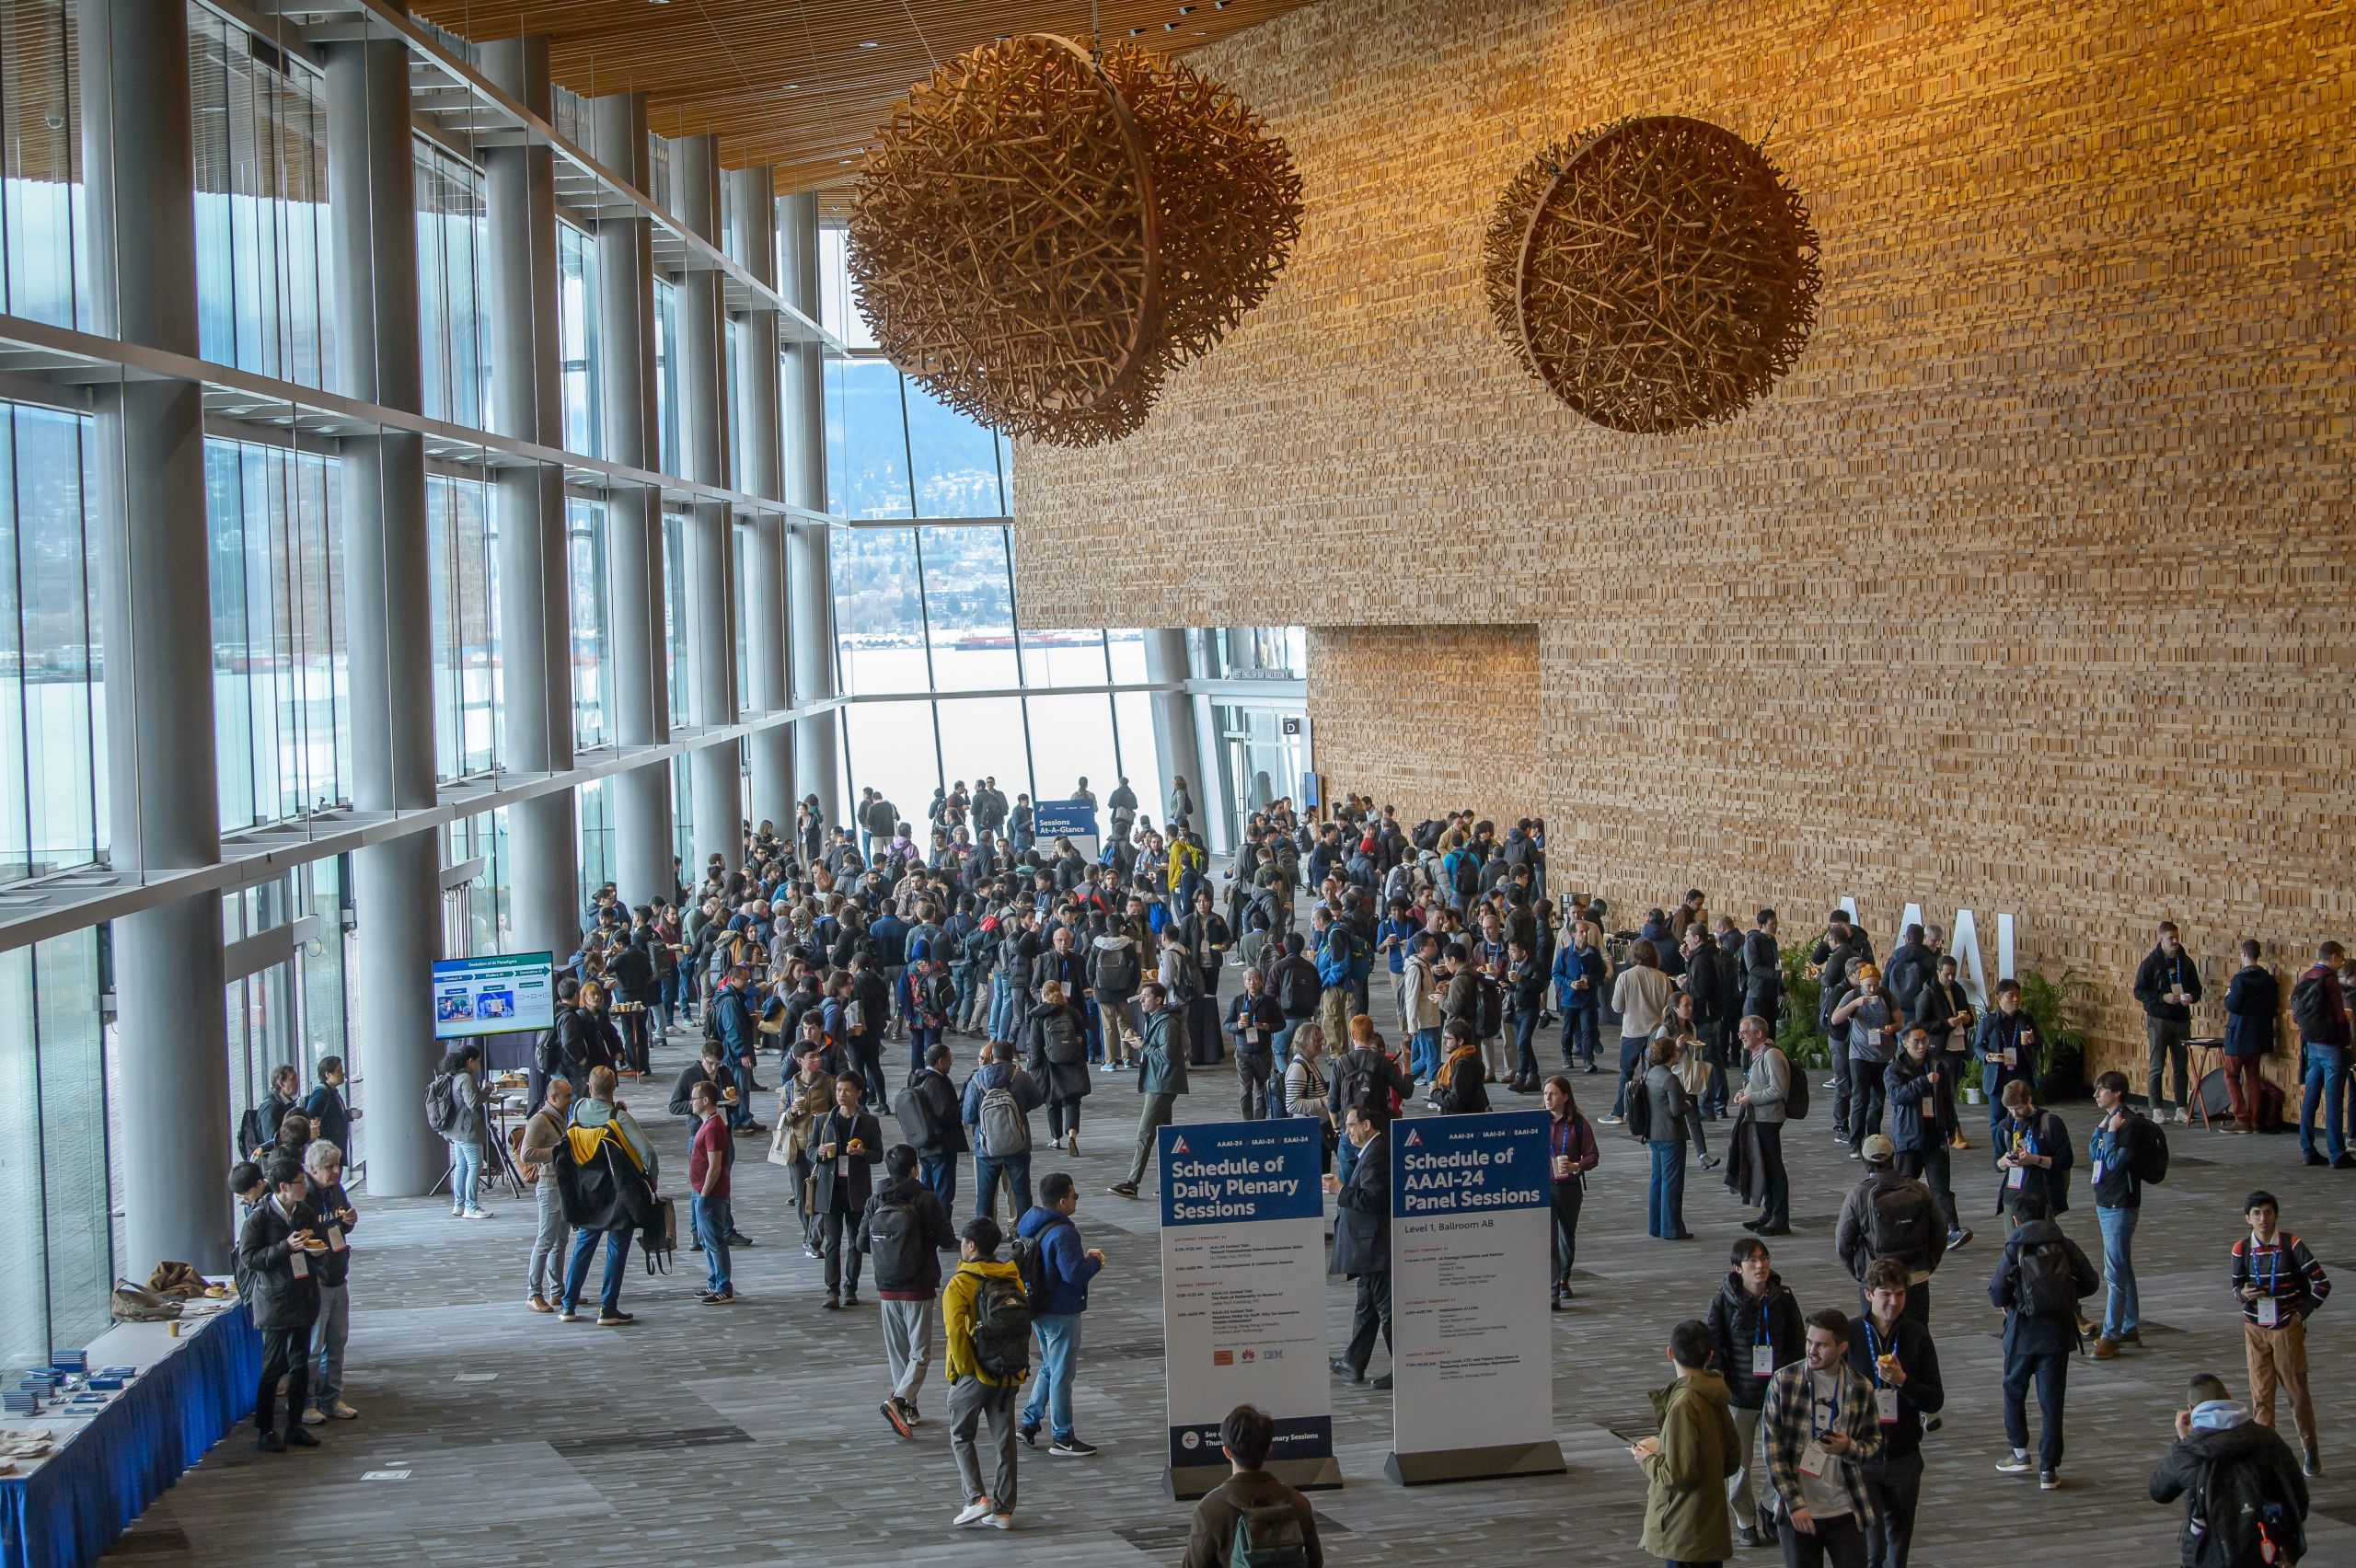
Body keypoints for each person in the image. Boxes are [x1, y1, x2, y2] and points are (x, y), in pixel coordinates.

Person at [1989, 1192, 2099, 1488]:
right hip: (2057, 1334)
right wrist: (2064, 1295)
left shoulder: (2014, 1247)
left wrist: (2013, 1301)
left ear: (2016, 1220)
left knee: (2014, 1389)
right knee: (2052, 1402)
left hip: (2022, 1333)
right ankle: (2048, 1469)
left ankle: (2019, 1452)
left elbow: (1996, 1293)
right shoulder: (2064, 1244)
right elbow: (2091, 1281)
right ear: (2046, 1214)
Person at [2147, 1372, 2310, 1568]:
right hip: (2261, 1552)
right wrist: (2289, 1546)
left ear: (2190, 1410)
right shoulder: (2267, 1440)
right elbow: (2297, 1497)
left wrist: (2183, 1440)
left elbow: (2159, 1491)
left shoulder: (2188, 1451)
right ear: (2229, 1397)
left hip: (2205, 1557)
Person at [1761, 1309, 1883, 1567]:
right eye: (1809, 1342)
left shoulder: (1861, 1387)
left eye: (1821, 1345)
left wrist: (1848, 1447)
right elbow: (1773, 1452)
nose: (1812, 1350)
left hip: (1846, 1508)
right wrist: (1795, 1504)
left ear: (1842, 1348)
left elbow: (1874, 1444)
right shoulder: (1784, 1381)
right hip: (1798, 1511)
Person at [1706, 1237, 1806, 1551]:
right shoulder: (1722, 1301)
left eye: (1764, 1258)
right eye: (1752, 1260)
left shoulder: (1783, 1298)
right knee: (1740, 1464)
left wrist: (1793, 1385)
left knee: (1783, 1458)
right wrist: (1720, 1388)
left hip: (1777, 1396)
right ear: (1738, 1268)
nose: (1760, 1265)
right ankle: (1745, 1520)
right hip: (1740, 1397)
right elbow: (1713, 1350)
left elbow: (1797, 1344)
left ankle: (1769, 1505)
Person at [1847, 1259, 1944, 1568]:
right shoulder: (1850, 1334)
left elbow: (1934, 1400)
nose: (1893, 1302)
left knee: (1898, 1550)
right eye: (1885, 1294)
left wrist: (1903, 1381)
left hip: (1904, 1457)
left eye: (1900, 1294)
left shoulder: (1916, 1335)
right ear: (1868, 1295)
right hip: (1863, 1458)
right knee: (1873, 1550)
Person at [860, 1142, 957, 1439]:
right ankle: (900, 1399)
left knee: (898, 1353)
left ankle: (909, 1407)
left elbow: (861, 1243)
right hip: (919, 1284)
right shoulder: (926, 1199)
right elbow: (947, 1239)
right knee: (920, 1353)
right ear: (915, 1169)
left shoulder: (875, 1200)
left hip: (886, 1285)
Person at [2232, 1191, 2330, 1477]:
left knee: (2297, 1393)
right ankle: (2265, 1457)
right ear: (2248, 1219)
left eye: (2268, 1212)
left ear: (2275, 1215)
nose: (2263, 1219)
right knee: (2261, 1396)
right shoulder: (2241, 1249)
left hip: (2286, 1327)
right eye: (2257, 1214)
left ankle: (2310, 1448)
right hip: (2254, 1329)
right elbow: (2236, 1287)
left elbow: (2322, 1284)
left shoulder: (2291, 1245)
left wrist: (2300, 1315)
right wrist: (2243, 1294)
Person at [1634, 1318, 1740, 1568]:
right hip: (1709, 1524)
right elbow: (1732, 1458)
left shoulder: (1683, 1404)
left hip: (1683, 1530)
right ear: (1710, 1354)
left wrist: (1647, 1459)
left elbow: (1677, 1475)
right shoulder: (1716, 1394)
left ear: (1670, 1352)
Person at [943, 1216, 1028, 1530]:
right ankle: (1004, 1511)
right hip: (1009, 1370)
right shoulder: (1012, 1278)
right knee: (1005, 1441)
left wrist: (964, 1369)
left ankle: (976, 1498)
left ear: (970, 1246)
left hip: (976, 1372)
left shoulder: (960, 1283)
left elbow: (955, 1332)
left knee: (961, 1434)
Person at [1016, 1170, 1107, 1457]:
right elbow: (1073, 1274)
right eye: (1074, 1196)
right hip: (1061, 1310)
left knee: (1049, 1367)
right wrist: (1094, 1261)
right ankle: (1063, 1436)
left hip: (1038, 1307)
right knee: (1062, 1374)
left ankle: (1029, 1424)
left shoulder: (1031, 1223)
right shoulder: (1064, 1233)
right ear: (1062, 1201)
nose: (1076, 1200)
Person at [237, 1152, 323, 1452]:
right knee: (273, 1366)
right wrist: (285, 1247)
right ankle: (266, 1430)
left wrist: (316, 1250)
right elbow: (249, 1259)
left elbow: (317, 1242)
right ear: (284, 1187)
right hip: (274, 1300)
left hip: (303, 1295)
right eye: (301, 1182)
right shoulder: (259, 1218)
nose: (305, 1187)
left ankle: (294, 1425)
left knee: (301, 1365)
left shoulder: (304, 1212)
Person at [560, 1065, 658, 1326]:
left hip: (588, 1190)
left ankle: (568, 1305)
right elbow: (648, 1152)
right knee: (616, 1248)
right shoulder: (619, 1118)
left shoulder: (578, 1108)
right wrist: (653, 1181)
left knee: (583, 1246)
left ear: (590, 1087)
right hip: (618, 1192)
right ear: (614, 1088)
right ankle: (608, 1308)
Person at [1181, 1403, 1324, 1568]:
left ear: (1226, 1451)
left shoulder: (1211, 1509)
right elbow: (1316, 1562)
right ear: (1269, 1449)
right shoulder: (1298, 1503)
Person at [2088, 1069, 2164, 1358]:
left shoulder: (2128, 1125)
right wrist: (2101, 1130)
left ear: (2117, 1093)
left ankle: (2111, 1335)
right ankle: (2129, 1327)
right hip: (2106, 1201)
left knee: (2115, 1273)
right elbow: (2093, 1154)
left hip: (2120, 1204)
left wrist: (2110, 1134)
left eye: (2102, 1089)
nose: (2096, 1094)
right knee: (2122, 1266)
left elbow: (2113, 1162)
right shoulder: (2111, 1121)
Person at [1834, 1136, 1942, 1326]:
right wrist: (1927, 1266)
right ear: (1893, 1157)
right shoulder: (1919, 1189)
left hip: (1878, 1280)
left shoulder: (1859, 1195)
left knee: (1876, 1336)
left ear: (1865, 1161)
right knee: (1916, 1335)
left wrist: (1862, 1274)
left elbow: (1843, 1243)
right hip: (1916, 1276)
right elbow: (1939, 1233)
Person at [1324, 1104, 1393, 1389]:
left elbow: (1373, 1199)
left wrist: (1340, 1190)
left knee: (1387, 1310)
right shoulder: (1372, 1151)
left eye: (1351, 1125)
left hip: (1375, 1246)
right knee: (1366, 1307)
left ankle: (1404, 1367)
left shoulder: (1377, 1153)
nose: (1347, 1131)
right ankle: (1353, 1362)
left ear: (1366, 1125)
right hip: (1370, 1249)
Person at [1885, 1026, 1967, 1251]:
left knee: (1941, 1188)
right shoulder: (1894, 1068)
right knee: (1904, 1188)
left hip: (1935, 1135)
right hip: (1908, 1137)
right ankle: (1901, 1232)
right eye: (1916, 1042)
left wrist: (1951, 1126)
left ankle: (1951, 1229)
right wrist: (1924, 1082)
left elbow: (1946, 1099)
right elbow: (1896, 1096)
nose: (1922, 1046)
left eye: (1924, 1040)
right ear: (1905, 1044)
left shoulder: (1936, 1064)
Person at [809, 1074, 883, 1309]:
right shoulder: (823, 1120)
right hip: (829, 1189)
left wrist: (862, 1153)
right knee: (832, 1241)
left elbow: (878, 1155)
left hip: (856, 1189)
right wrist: (819, 1152)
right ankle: (832, 1290)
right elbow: (810, 1150)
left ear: (859, 1093)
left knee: (855, 1241)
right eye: (839, 1090)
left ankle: (851, 1288)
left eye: (847, 1090)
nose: (842, 1094)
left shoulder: (869, 1122)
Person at [299, 1137, 359, 1424]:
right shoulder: (304, 1199)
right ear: (312, 1169)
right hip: (317, 1283)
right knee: (313, 1348)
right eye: (329, 1167)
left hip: (338, 1274)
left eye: (338, 1165)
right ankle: (306, 1403)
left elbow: (341, 1228)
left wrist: (349, 1222)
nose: (336, 1171)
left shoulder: (337, 1191)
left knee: (337, 1343)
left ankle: (332, 1398)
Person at [1110, 981, 1188, 1199]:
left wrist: (1142, 1045)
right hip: (1158, 1081)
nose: (1142, 1000)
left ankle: (1132, 1183)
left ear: (1158, 1000)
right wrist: (1138, 1039)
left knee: (1145, 1133)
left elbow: (1166, 1056)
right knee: (1166, 1134)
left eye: (1146, 996)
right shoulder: (1155, 1019)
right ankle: (1171, 1183)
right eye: (1141, 996)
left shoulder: (1167, 1023)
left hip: (1161, 1084)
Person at [963, 1038, 1045, 1220]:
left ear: (992, 1057)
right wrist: (1020, 1110)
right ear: (1012, 1057)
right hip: (1018, 1145)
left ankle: (983, 1232)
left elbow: (968, 1116)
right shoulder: (1020, 1077)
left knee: (985, 1196)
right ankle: (1023, 1231)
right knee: (1021, 1194)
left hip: (985, 1147)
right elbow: (1038, 1100)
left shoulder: (977, 1080)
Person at [2133, 919, 2203, 1125]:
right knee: (2157, 1065)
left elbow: (2197, 989)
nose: (2174, 941)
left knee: (2181, 1065)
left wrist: (2191, 997)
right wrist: (2162, 997)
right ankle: (2156, 1109)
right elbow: (2139, 991)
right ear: (2161, 939)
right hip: (2159, 1019)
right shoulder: (2151, 963)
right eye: (2170, 938)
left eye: (2177, 937)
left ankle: (2181, 1107)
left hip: (2181, 1019)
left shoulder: (2185, 962)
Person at [2292, 940, 2353, 1167]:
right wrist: (2347, 1042)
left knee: (2310, 1099)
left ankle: (2308, 1150)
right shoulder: (2329, 980)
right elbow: (2339, 1016)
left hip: (2311, 1045)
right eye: (2342, 959)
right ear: (2334, 957)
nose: (2342, 963)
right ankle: (2337, 1154)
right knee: (2334, 1101)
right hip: (2332, 1047)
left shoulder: (2306, 976)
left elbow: (2296, 1015)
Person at [519, 1075, 574, 1314]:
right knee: (545, 1241)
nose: (571, 1100)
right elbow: (527, 1154)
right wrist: (557, 1152)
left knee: (560, 1240)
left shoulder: (559, 1117)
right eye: (567, 1096)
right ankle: (533, 1293)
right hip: (549, 1186)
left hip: (562, 1185)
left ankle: (557, 1291)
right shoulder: (540, 1120)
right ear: (553, 1097)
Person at [1543, 1075, 1600, 1307]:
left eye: (1553, 1094)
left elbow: (1593, 1156)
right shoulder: (1538, 1122)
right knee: (1549, 1239)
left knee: (1566, 1236)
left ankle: (1564, 1277)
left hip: (1569, 1187)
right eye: (1545, 1094)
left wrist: (1576, 1166)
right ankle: (1553, 1291)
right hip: (1545, 1186)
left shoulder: (1578, 1124)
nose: (1548, 1098)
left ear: (1565, 1096)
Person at [1734, 1014, 1791, 1236]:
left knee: (1774, 1168)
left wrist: (1751, 1098)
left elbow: (1778, 1089)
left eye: (1744, 1032)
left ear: (1759, 1033)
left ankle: (1780, 1218)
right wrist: (1743, 1092)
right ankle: (1769, 1214)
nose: (1741, 1037)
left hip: (1769, 1118)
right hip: (1758, 1117)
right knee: (1765, 1166)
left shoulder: (1772, 1055)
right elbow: (1758, 1082)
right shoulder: (1758, 1054)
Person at [1021, 979, 1091, 1155]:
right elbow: (1082, 1035)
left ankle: (1056, 1139)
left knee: (1052, 1101)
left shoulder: (1038, 1015)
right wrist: (1082, 1057)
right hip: (1073, 1061)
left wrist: (1033, 1066)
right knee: (1072, 1101)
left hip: (1050, 1064)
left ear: (1043, 994)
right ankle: (1072, 1135)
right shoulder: (1071, 1011)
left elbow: (1035, 1045)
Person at [1607, 939, 1674, 1123]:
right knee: (1651, 1075)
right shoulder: (1662, 977)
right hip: (1655, 1033)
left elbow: (1617, 1006)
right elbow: (1668, 1008)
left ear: (1634, 954)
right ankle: (1650, 1112)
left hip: (1631, 1032)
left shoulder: (1625, 976)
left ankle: (1619, 1112)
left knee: (1626, 1074)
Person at [1994, 1078, 2073, 1232]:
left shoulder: (2051, 1122)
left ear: (2029, 1100)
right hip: (2013, 1196)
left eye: (2019, 1108)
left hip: (2041, 1195)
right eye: (2010, 1109)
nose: (2014, 1114)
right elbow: (1996, 1164)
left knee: (2043, 1240)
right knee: (2013, 1241)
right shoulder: (2005, 1127)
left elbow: (2065, 1161)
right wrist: (2004, 1161)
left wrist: (2035, 1159)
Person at [2221, 940, 2279, 1134]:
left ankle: (2242, 1119)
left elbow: (2234, 1006)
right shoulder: (2268, 980)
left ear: (2243, 954)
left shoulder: (2239, 980)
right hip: (2260, 1036)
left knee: (2231, 1076)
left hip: (2239, 1035)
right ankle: (2255, 1121)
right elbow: (2273, 1007)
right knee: (2253, 1076)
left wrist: (2227, 996)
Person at [686, 1080, 736, 1305]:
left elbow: (715, 1166)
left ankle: (723, 1286)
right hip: (701, 1191)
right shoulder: (706, 1123)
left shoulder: (714, 1128)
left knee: (715, 1240)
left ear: (706, 1100)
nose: (691, 1102)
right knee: (706, 1240)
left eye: (694, 1098)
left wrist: (704, 1194)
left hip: (711, 1194)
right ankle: (714, 1281)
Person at [904, 1041, 968, 1209]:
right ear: (940, 1061)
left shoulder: (919, 1079)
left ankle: (928, 1224)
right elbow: (947, 1113)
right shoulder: (935, 1082)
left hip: (924, 1146)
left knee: (927, 1193)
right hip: (941, 1146)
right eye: (950, 1060)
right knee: (943, 1195)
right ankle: (941, 1225)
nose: (951, 1064)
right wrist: (964, 1101)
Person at [1643, 1037, 1693, 1241]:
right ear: (1670, 1055)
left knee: (1657, 1181)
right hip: (1671, 1135)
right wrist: (1687, 1105)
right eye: (1676, 1050)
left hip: (1653, 1134)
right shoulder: (1670, 1079)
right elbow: (1676, 1110)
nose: (1678, 1053)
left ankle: (1655, 1225)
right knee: (1672, 1183)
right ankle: (1672, 1228)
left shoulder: (1648, 1074)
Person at [433, 1044, 490, 1220]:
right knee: (475, 1166)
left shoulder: (454, 1076)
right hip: (468, 1130)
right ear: (470, 1061)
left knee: (462, 1166)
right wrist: (487, 1090)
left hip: (456, 1130)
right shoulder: (466, 1078)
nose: (478, 1065)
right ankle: (471, 1206)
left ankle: (459, 1204)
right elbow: (472, 1103)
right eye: (478, 1061)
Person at [1228, 966, 1282, 1117]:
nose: (1252, 982)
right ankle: (1247, 1122)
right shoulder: (1238, 1001)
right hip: (1243, 1053)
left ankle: (1259, 1121)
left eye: (1255, 979)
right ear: (1244, 983)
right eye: (1248, 979)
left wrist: (1268, 1027)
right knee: (1245, 1089)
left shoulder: (1270, 1002)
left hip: (1262, 1052)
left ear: (1261, 982)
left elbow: (1281, 1024)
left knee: (1262, 1089)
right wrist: (1237, 1026)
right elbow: (1227, 1025)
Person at [300, 1056, 359, 1159]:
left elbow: (333, 1114)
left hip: (333, 1148)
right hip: (326, 1150)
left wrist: (348, 1114)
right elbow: (309, 1116)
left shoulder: (332, 1092)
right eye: (339, 1071)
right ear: (327, 1074)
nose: (343, 1074)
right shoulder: (322, 1092)